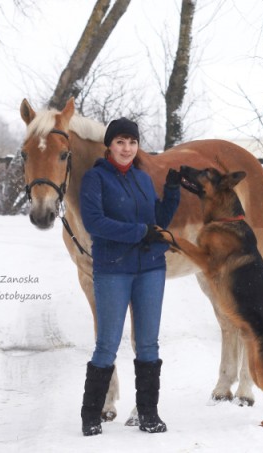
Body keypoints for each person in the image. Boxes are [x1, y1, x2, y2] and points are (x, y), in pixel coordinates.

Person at [78, 117, 181, 436]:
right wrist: (140, 231)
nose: (127, 148)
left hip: (150, 268)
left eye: (132, 142)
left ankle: (148, 413)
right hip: (113, 269)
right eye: (120, 142)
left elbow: (157, 221)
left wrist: (173, 195)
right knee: (107, 343)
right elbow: (95, 223)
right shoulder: (95, 179)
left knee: (148, 343)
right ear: (109, 145)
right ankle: (91, 414)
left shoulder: (142, 178)